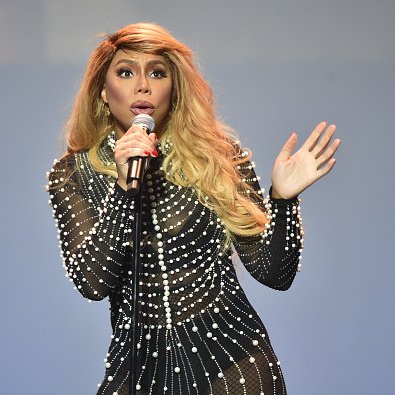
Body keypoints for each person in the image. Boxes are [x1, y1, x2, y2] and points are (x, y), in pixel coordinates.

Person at [47, 22, 340, 395]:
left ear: (174, 88)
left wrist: (283, 200)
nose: (143, 85)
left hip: (233, 365)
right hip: (137, 372)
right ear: (103, 91)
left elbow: (274, 274)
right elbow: (92, 283)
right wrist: (122, 186)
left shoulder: (217, 157)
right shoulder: (73, 174)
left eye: (157, 72)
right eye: (125, 72)